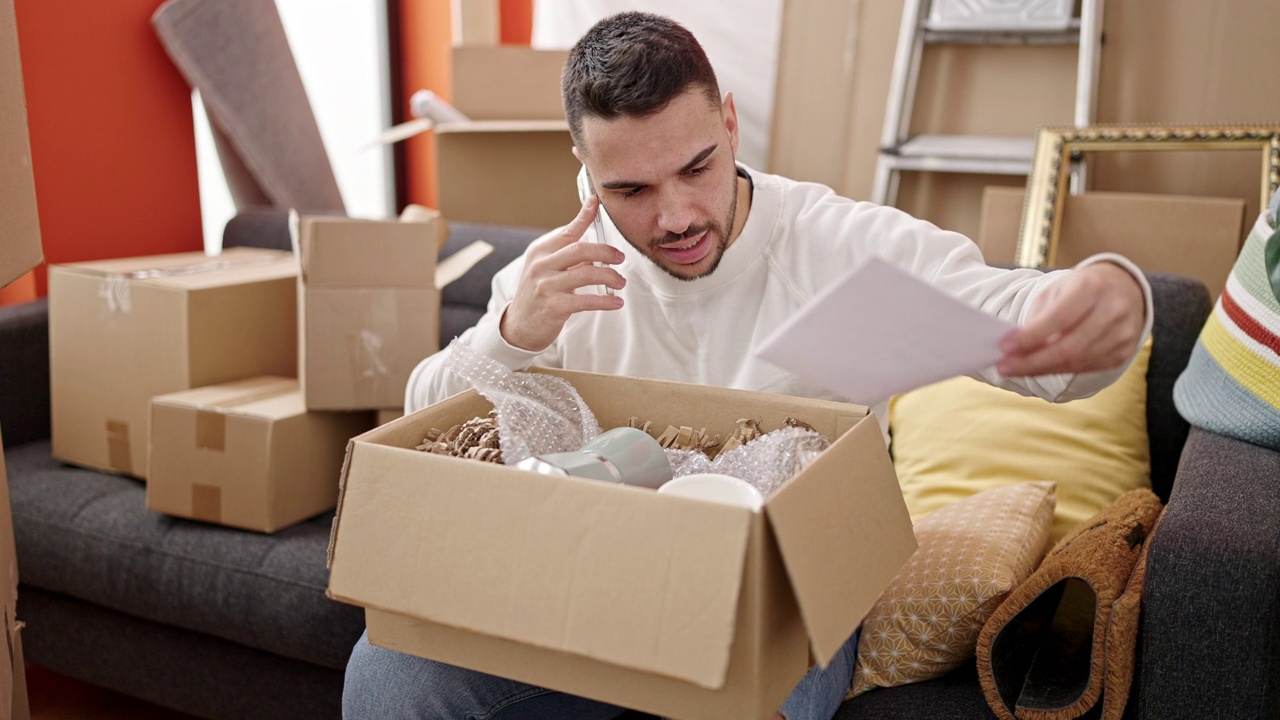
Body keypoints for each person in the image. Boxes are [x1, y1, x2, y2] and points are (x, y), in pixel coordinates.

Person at [343, 11, 1151, 720]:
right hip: (595, 585)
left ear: (729, 122)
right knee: (389, 672)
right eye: (630, 188)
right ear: (585, 171)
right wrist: (510, 335)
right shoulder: (561, 272)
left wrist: (1113, 293)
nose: (677, 216)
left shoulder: (838, 242)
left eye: (697, 167)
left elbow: (1032, 339)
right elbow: (421, 409)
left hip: (786, 602)